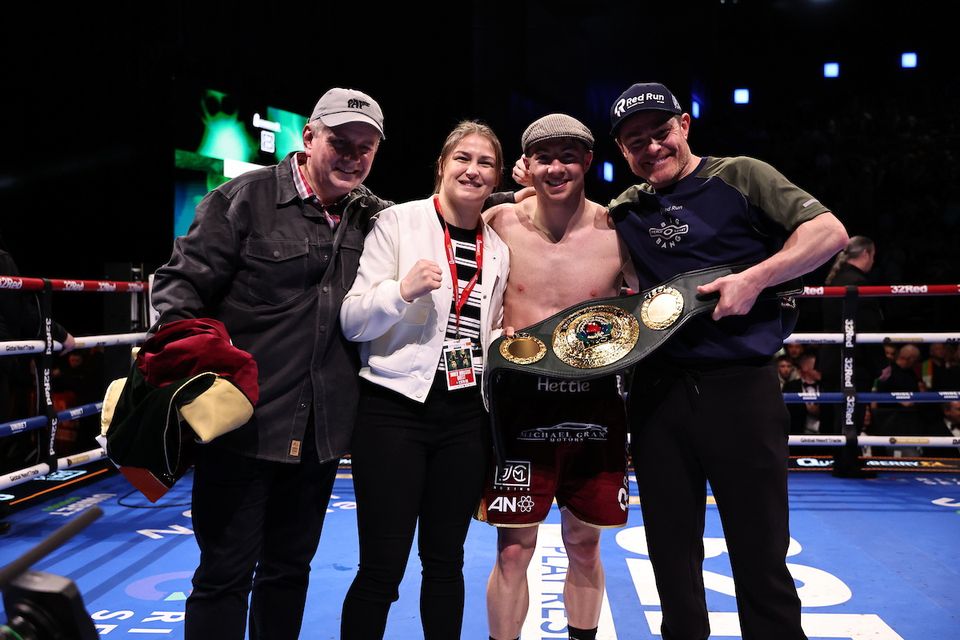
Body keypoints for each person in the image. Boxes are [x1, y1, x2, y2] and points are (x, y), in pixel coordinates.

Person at [607, 82, 849, 640]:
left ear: (685, 125)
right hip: (658, 391)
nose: (651, 148)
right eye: (636, 142)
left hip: (741, 386)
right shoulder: (625, 207)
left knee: (760, 546)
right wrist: (524, 190)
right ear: (623, 151)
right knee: (669, 549)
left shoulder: (741, 174)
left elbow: (829, 232)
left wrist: (754, 279)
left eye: (660, 132)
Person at [150, 88, 391, 640]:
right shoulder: (243, 198)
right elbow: (178, 289)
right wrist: (201, 376)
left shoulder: (374, 216)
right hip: (242, 428)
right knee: (223, 576)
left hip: (321, 434)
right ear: (308, 137)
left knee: (288, 572)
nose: (353, 157)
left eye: (366, 147)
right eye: (341, 142)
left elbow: (444, 215)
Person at [338, 120, 511, 639]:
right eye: (463, 158)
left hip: (465, 416)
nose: (472, 170)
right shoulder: (398, 223)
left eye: (485, 162)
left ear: (497, 177)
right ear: (442, 165)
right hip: (393, 410)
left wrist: (502, 341)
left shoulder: (498, 248)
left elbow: (483, 328)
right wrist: (401, 291)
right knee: (381, 566)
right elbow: (351, 320)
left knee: (446, 562)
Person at [481, 114, 636, 640]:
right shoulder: (498, 221)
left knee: (585, 544)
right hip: (518, 407)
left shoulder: (617, 231)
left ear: (588, 161)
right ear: (527, 164)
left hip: (594, 405)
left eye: (568, 157)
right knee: (513, 549)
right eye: (544, 158)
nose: (556, 168)